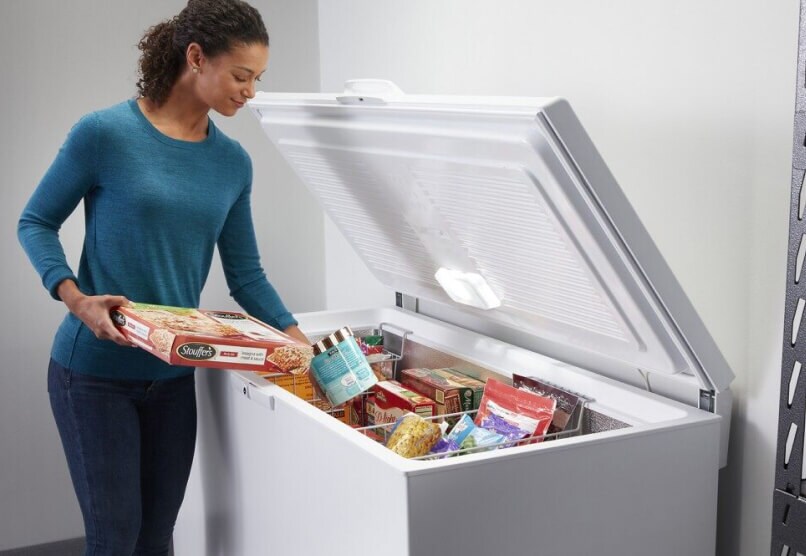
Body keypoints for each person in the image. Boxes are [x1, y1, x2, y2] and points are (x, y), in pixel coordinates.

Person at [17, 1, 312, 554]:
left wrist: (298, 341)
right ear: (196, 57)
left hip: (175, 376)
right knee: (115, 539)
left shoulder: (233, 163)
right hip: (93, 376)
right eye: (241, 76)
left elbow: (245, 275)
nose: (251, 92)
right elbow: (35, 222)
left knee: (157, 538)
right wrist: (76, 299)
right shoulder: (104, 134)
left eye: (258, 80)